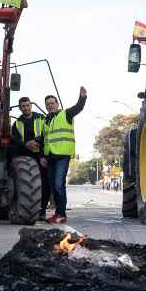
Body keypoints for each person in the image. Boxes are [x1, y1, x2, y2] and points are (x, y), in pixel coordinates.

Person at [38, 87, 87, 224]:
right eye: (48, 104)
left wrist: (82, 97)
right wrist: (42, 156)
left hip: (62, 156)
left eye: (52, 103)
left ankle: (61, 214)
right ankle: (58, 213)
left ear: (57, 104)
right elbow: (44, 140)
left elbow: (78, 107)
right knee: (53, 187)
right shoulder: (46, 120)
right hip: (50, 158)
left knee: (59, 185)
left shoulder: (66, 114)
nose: (50, 106)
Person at [11, 96, 49, 219]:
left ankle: (42, 211)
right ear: (20, 108)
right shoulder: (17, 123)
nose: (26, 108)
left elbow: (46, 133)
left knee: (44, 183)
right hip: (25, 156)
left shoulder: (42, 119)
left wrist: (36, 141)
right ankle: (26, 209)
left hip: (41, 155)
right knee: (26, 185)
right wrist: (26, 144)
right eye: (23, 106)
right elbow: (15, 140)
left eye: (27, 105)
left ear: (31, 106)